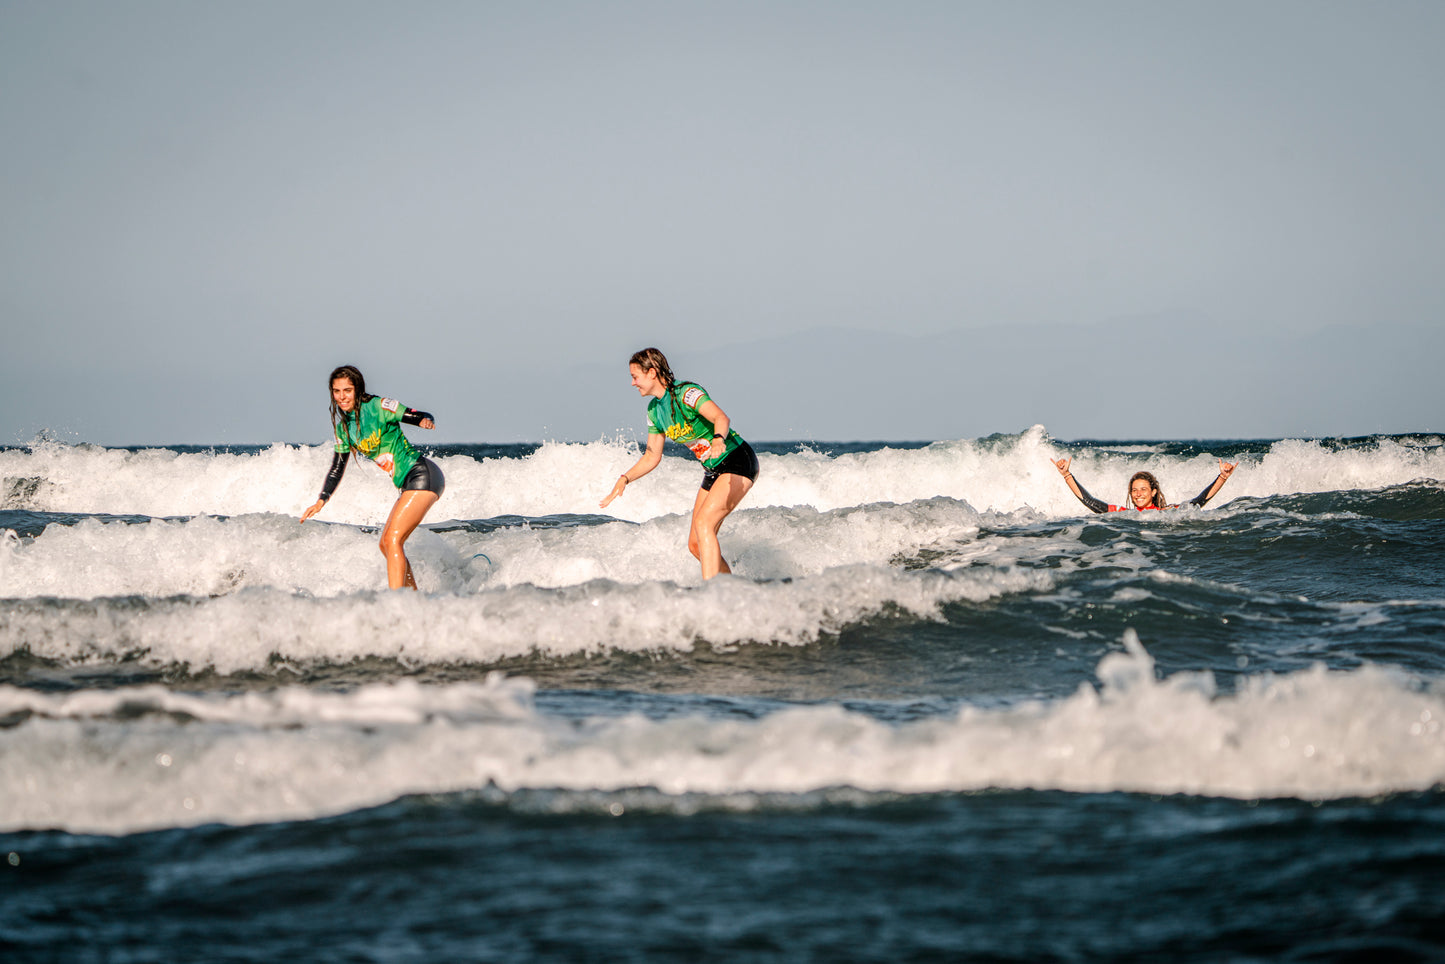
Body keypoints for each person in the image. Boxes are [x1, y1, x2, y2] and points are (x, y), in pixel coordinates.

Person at [600, 347, 759, 579]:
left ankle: (712, 594)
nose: (632, 383)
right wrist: (624, 478)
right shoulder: (654, 410)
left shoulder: (687, 393)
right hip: (713, 470)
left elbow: (720, 418)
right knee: (695, 544)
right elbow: (652, 456)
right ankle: (734, 588)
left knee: (705, 523)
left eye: (635, 376)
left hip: (737, 460)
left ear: (652, 373)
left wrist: (717, 439)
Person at [300, 365, 444, 590]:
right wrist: (322, 499)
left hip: (421, 474)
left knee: (393, 540)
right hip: (407, 483)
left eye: (347, 390)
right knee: (385, 544)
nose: (342, 396)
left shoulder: (379, 406)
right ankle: (414, 597)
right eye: (337, 391)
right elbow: (337, 468)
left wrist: (424, 420)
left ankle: (397, 601)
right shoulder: (344, 429)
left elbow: (417, 415)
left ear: (358, 389)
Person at [1052, 457, 1238, 513]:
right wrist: (1067, 474)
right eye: (1134, 490)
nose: (1138, 494)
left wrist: (1222, 477)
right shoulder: (1124, 513)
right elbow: (1090, 502)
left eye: (1143, 489)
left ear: (1153, 491)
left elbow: (1199, 501)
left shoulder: (1167, 511)